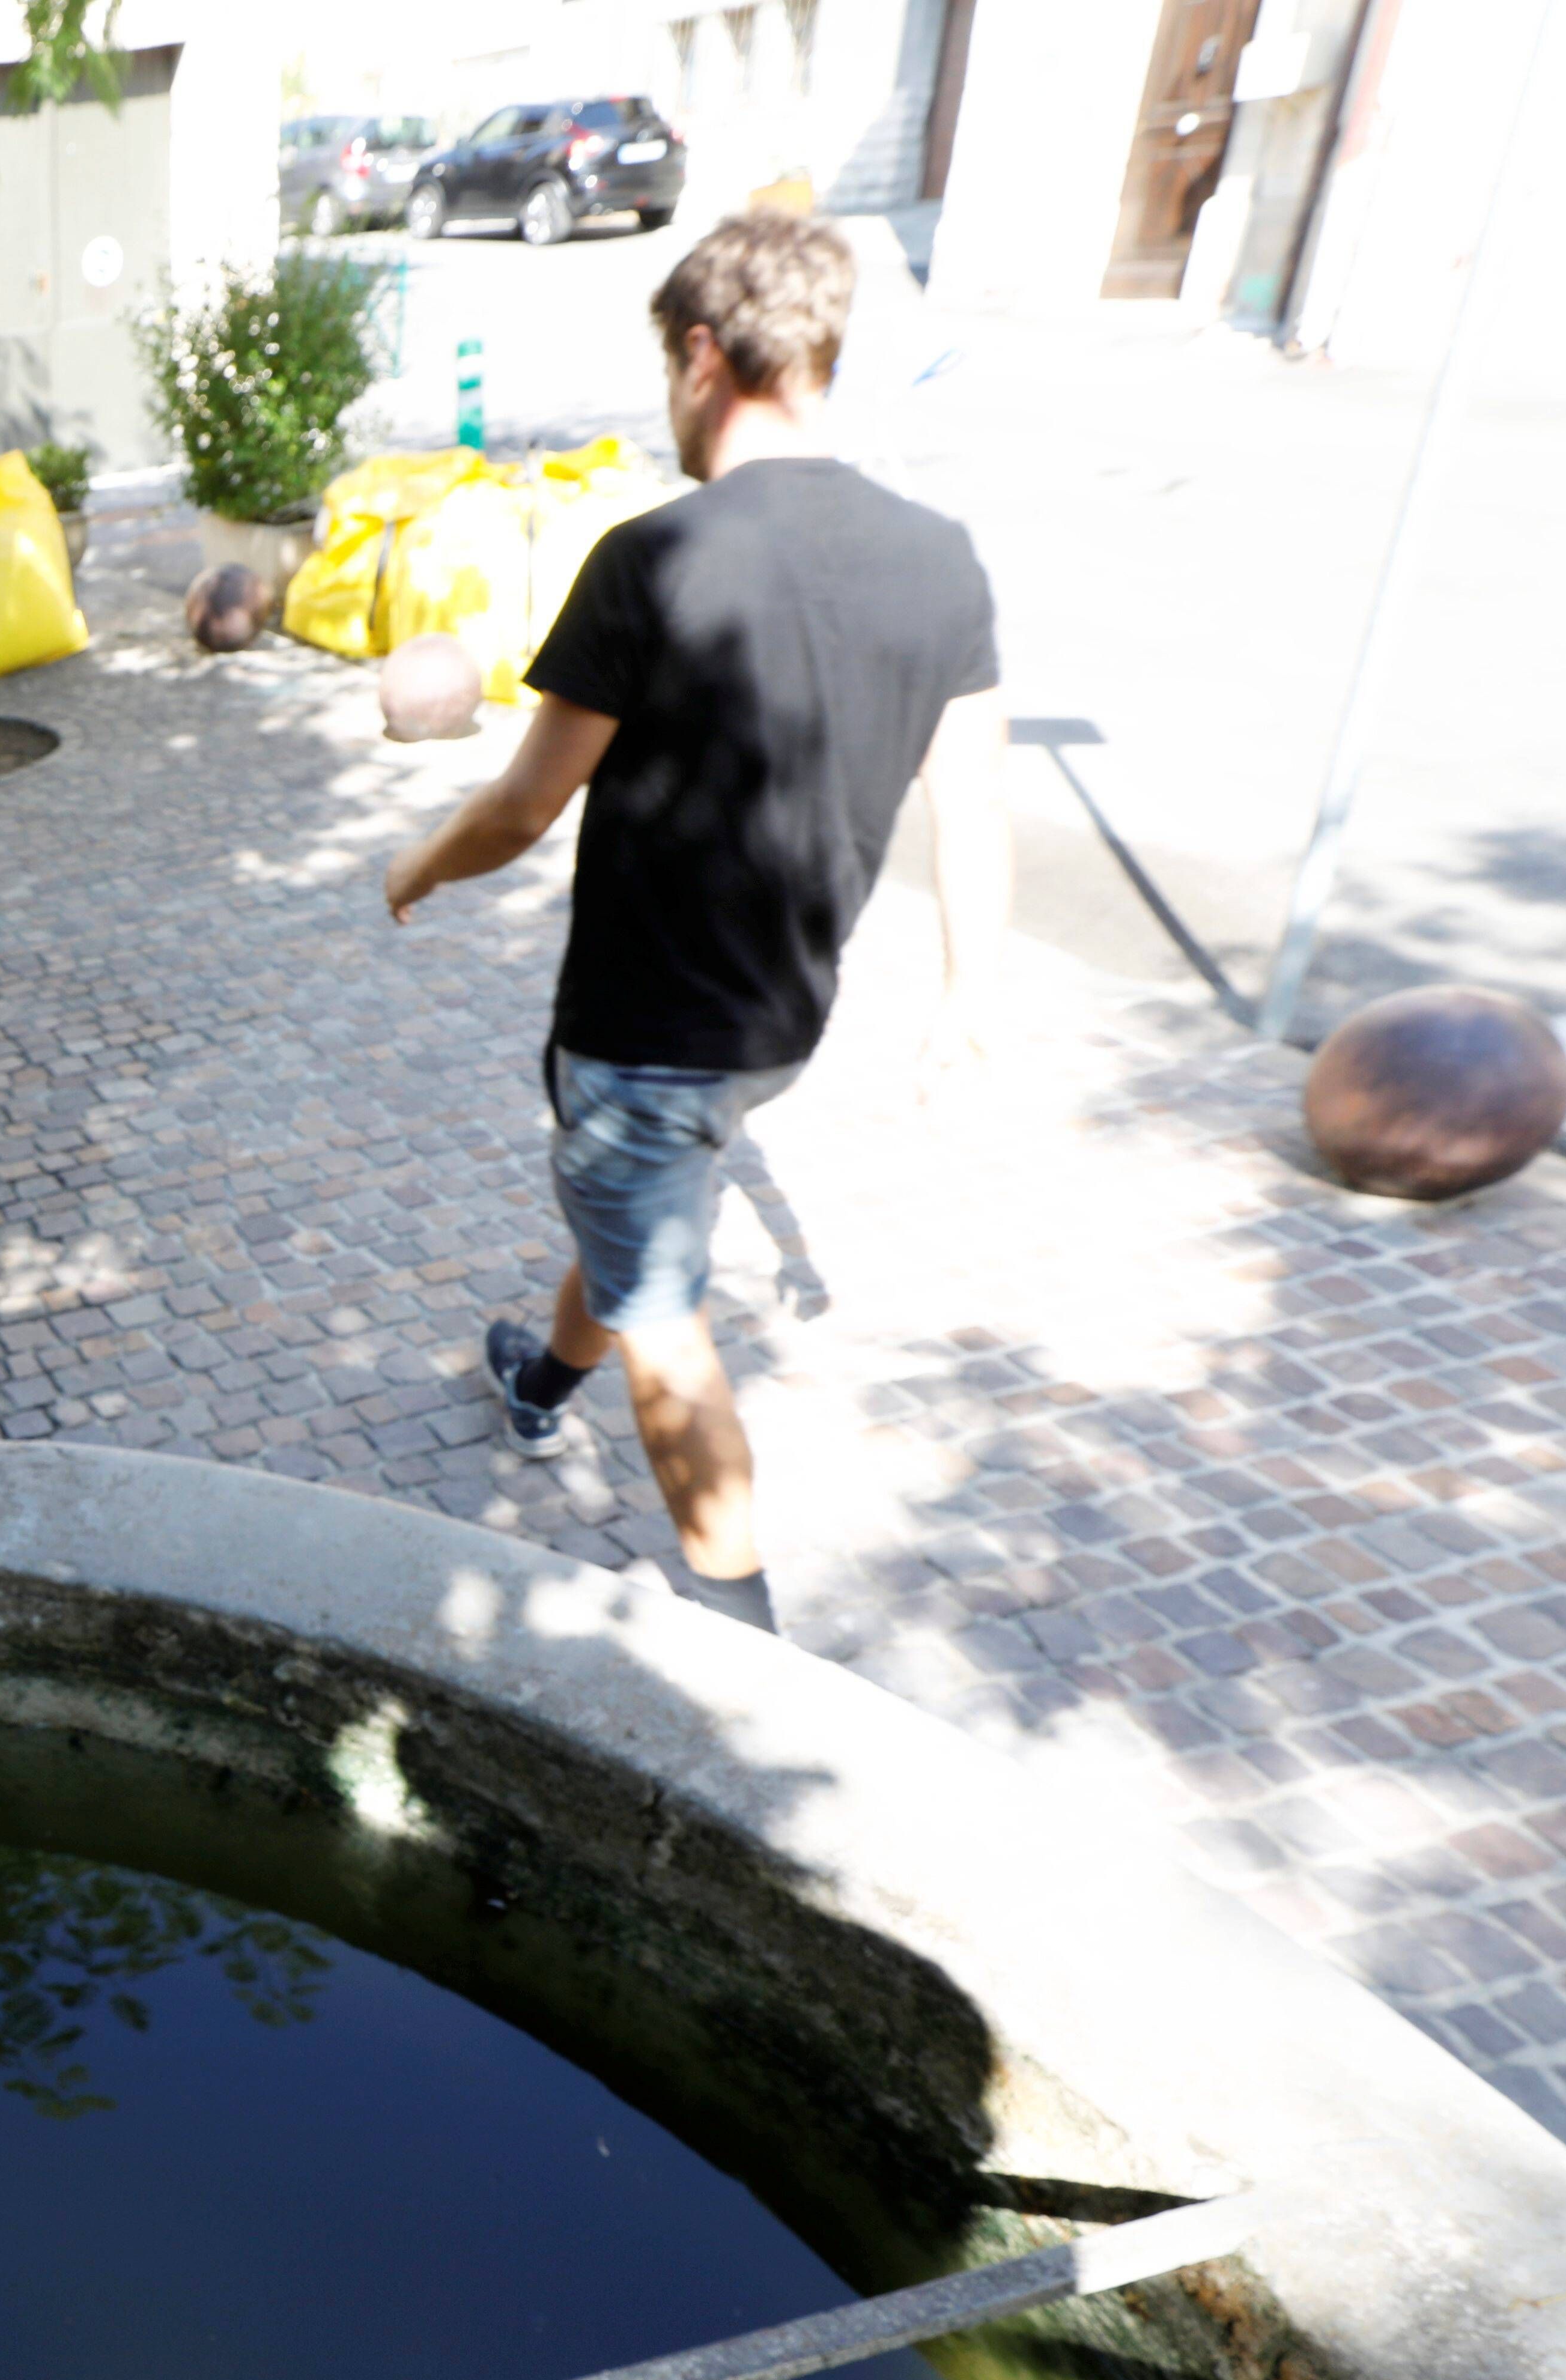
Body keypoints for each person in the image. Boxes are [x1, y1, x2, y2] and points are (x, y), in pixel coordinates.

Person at [379, 209, 1010, 1636]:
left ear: (706, 354)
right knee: (634, 1224)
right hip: (778, 1022)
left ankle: (747, 1642)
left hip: (644, 1029)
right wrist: (970, 996)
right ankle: (538, 1380)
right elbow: (973, 804)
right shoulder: (942, 559)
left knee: (665, 1312)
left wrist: (417, 863)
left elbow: (526, 805)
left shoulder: (651, 558)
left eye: (671, 368)